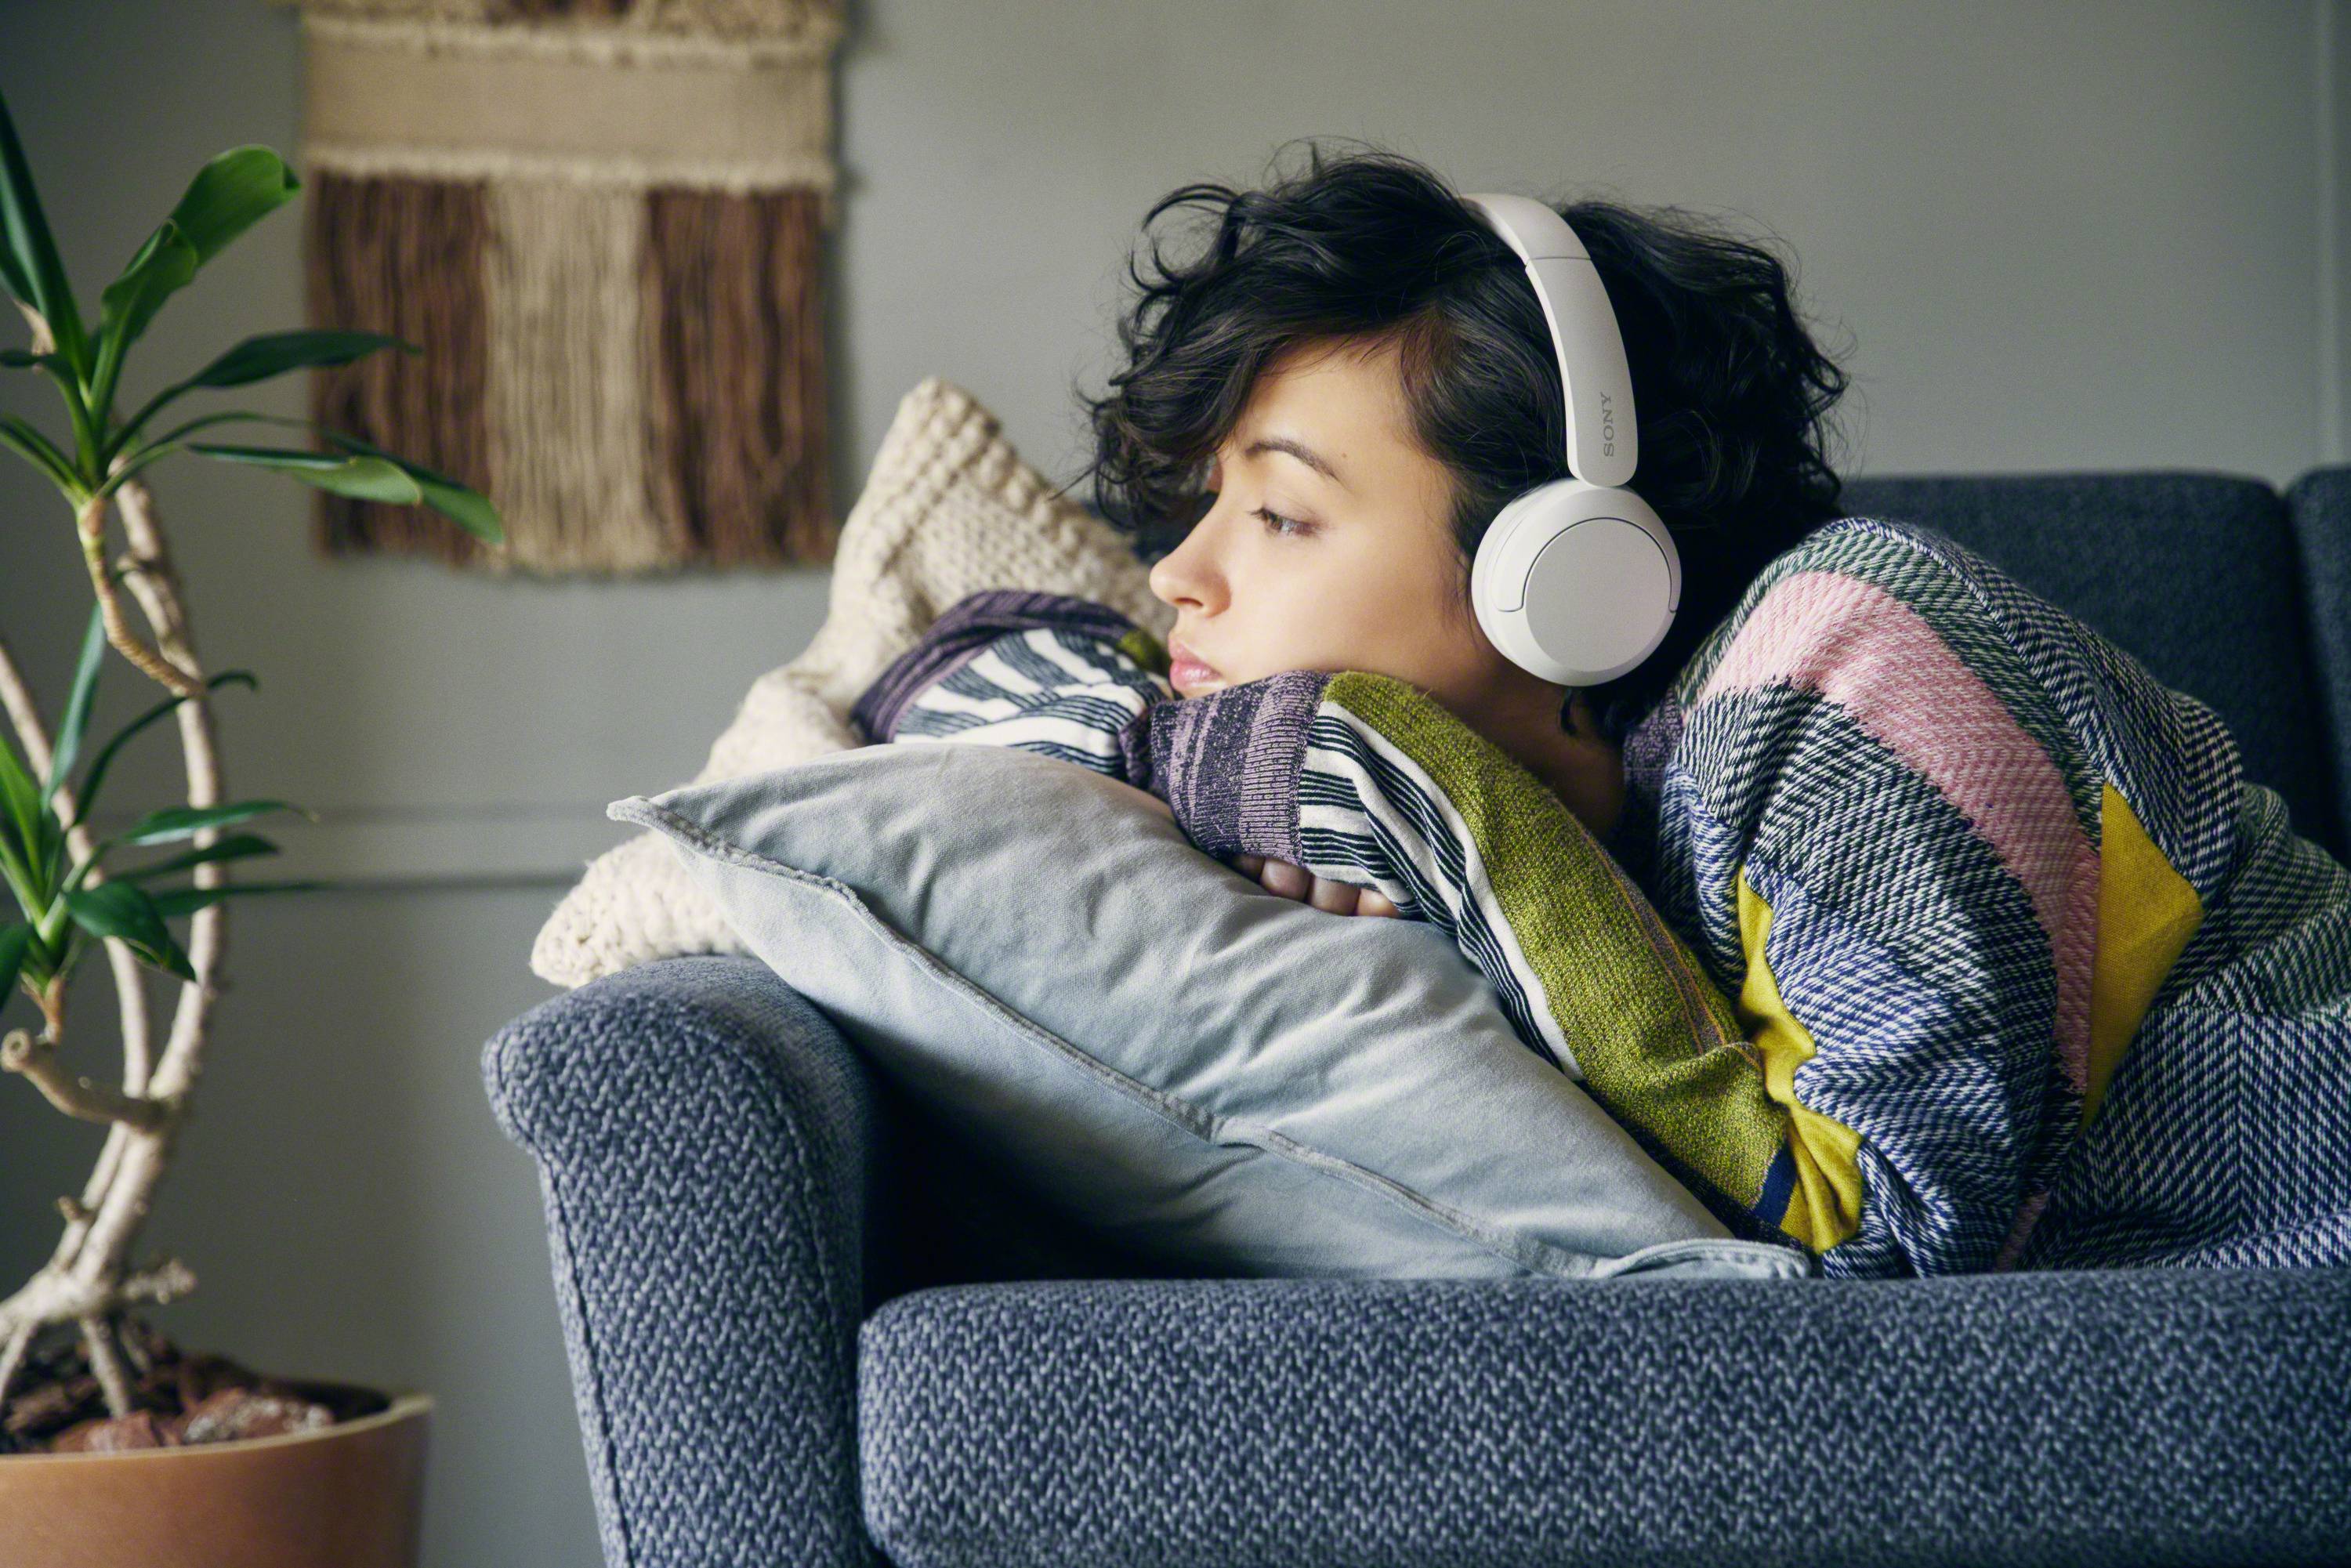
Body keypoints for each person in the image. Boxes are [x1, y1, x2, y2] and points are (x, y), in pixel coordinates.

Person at [850, 142, 2351, 1277]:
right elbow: (945, 671)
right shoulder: (1608, 787)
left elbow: (1883, 1245)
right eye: (1207, 508)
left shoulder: (1859, 655)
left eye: (1283, 517)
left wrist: (1438, 806)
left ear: (1564, 577)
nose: (1179, 573)